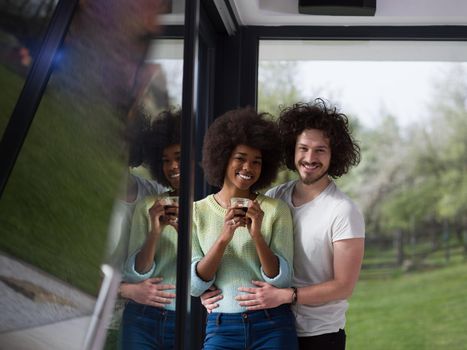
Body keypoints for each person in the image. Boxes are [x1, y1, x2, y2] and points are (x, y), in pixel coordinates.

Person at [203, 99, 365, 350]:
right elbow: (244, 254)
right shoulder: (276, 198)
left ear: (334, 155)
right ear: (292, 150)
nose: (310, 158)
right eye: (303, 148)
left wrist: (287, 296)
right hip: (272, 325)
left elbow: (344, 286)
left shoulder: (343, 211)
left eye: (320, 150)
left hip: (319, 334)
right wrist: (209, 292)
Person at [191, 107, 298, 350]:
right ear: (223, 157)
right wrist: (224, 238)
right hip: (221, 327)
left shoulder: (275, 210)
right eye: (240, 158)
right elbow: (195, 286)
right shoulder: (197, 212)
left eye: (256, 162)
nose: (248, 167)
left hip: (272, 326)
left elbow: (282, 280)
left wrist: (257, 235)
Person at [119, 108, 181, 350]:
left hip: (160, 313)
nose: (173, 166)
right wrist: (129, 290)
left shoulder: (153, 194)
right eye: (166, 160)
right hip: (109, 310)